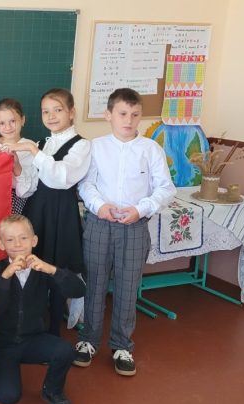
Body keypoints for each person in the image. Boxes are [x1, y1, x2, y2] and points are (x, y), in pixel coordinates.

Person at [74, 88, 176, 377]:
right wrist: (99, 206)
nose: (128, 120)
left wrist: (141, 209)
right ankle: (88, 340)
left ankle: (121, 346)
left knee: (128, 287)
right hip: (99, 224)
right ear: (108, 115)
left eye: (134, 114)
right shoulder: (95, 147)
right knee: (94, 283)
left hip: (134, 226)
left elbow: (165, 188)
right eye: (122, 114)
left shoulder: (151, 150)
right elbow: (86, 184)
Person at [3, 88, 91, 336]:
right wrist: (18, 164)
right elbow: (28, 186)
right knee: (34, 265)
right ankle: (35, 325)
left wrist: (33, 151)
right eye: (45, 111)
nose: (51, 116)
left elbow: (61, 177)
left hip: (61, 214)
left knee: (58, 268)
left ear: (71, 112)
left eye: (58, 110)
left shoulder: (82, 145)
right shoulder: (43, 143)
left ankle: (54, 331)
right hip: (37, 211)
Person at [0, 214, 85, 404]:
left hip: (33, 339)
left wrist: (52, 270)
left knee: (65, 350)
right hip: (4, 344)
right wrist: (6, 276)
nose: (17, 244)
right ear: (1, 244)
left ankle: (52, 390)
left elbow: (79, 290)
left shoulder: (42, 268)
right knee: (8, 396)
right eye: (10, 239)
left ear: (34, 240)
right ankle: (0, 370)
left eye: (23, 238)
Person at [0, 98, 38, 213]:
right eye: (2, 123)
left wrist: (17, 165)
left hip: (19, 204)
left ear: (22, 120)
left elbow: (26, 192)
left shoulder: (31, 147)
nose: (8, 127)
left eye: (12, 121)